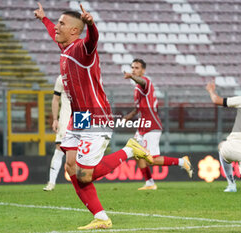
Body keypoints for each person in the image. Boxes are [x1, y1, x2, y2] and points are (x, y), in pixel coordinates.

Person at [34, 3, 152, 229]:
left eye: (61, 23)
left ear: (74, 31)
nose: (56, 27)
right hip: (79, 118)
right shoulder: (66, 48)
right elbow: (54, 34)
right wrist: (44, 19)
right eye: (57, 23)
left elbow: (92, 42)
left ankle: (130, 149)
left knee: (84, 176)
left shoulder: (81, 49)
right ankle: (101, 218)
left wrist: (92, 25)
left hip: (96, 116)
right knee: (70, 169)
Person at [123, 59, 193, 190]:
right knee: (137, 154)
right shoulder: (137, 88)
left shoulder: (145, 82)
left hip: (152, 125)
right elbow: (138, 108)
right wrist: (129, 116)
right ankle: (150, 183)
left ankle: (183, 162)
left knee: (152, 159)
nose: (133, 70)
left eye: (137, 68)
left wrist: (131, 76)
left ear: (143, 70)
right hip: (142, 127)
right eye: (132, 67)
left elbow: (142, 81)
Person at [43, 75, 71, 191]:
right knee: (59, 148)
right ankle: (51, 182)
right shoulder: (62, 78)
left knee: (82, 150)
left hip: (82, 117)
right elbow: (55, 99)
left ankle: (82, 182)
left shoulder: (84, 73)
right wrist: (55, 119)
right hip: (65, 117)